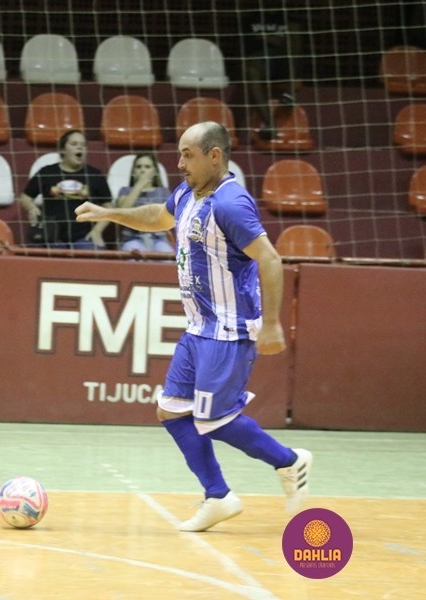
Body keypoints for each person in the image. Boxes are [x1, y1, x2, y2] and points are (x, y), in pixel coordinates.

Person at [76, 121, 313, 532]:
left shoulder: (230, 204)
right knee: (171, 411)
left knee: (215, 419)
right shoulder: (188, 192)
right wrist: (108, 212)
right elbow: (158, 217)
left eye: (188, 155)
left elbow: (270, 259)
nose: (180, 163)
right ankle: (217, 496)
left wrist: (273, 323)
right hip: (198, 327)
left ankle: (290, 462)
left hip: (228, 329)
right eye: (180, 154)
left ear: (214, 156)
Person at [18, 129, 111, 249]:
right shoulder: (47, 172)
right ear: (62, 149)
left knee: (93, 252)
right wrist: (32, 208)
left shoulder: (95, 175)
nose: (80, 147)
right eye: (74, 144)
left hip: (84, 237)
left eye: (83, 145)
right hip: (52, 236)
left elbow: (109, 207)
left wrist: (97, 231)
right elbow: (25, 197)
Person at [87, 152, 174, 254]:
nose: (142, 170)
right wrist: (139, 185)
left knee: (167, 255)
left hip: (159, 240)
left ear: (154, 171)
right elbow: (122, 210)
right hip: (132, 239)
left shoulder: (163, 192)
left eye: (147, 167)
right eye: (138, 167)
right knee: (134, 254)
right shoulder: (125, 191)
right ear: (133, 171)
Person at [240, 7, 304, 140]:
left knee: (293, 32)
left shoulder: (289, 19)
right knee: (250, 70)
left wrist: (264, 37)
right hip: (260, 61)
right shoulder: (250, 19)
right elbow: (247, 46)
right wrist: (274, 39)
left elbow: (294, 45)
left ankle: (289, 93)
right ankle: (269, 124)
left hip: (284, 61)